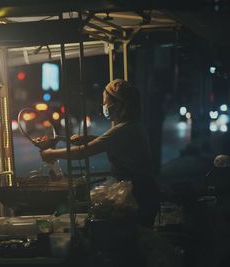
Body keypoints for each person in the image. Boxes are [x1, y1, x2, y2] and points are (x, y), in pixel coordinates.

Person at [41, 79, 160, 228]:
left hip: (139, 195)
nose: (103, 106)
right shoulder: (131, 125)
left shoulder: (123, 129)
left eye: (105, 102)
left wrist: (51, 153)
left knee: (135, 238)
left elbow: (83, 152)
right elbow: (111, 143)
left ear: (116, 104)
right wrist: (87, 139)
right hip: (143, 192)